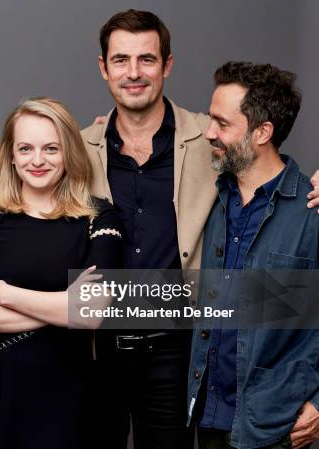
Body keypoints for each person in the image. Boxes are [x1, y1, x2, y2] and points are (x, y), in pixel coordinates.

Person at [81, 10, 319, 449]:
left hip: (180, 352)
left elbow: (268, 173)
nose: (133, 73)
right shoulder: (79, 148)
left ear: (167, 64)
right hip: (97, 352)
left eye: (147, 59)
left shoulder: (208, 142)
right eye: (120, 60)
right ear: (103, 67)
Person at [0, 97, 124, 449]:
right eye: (25, 148)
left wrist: (6, 294)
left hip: (68, 395)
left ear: (69, 152)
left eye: (51, 148)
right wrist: (63, 306)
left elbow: (89, 313)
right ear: (10, 155)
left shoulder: (98, 218)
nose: (38, 160)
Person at [187, 61, 319, 449]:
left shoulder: (312, 212)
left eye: (222, 124)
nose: (210, 133)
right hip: (207, 414)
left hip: (275, 424)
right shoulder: (209, 198)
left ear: (262, 132)